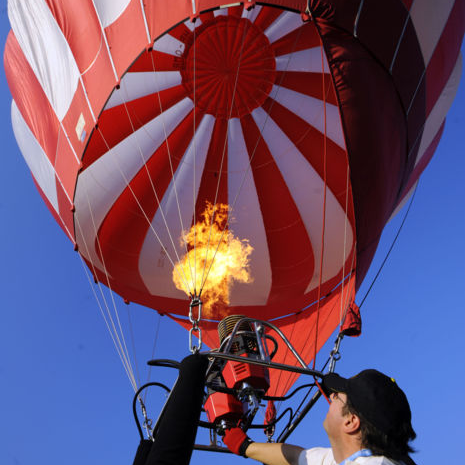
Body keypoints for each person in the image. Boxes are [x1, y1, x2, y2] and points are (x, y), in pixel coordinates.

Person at [223, 369, 417, 465]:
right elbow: (297, 457)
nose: (331, 396)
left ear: (351, 421)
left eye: (338, 395)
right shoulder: (346, 460)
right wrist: (245, 446)